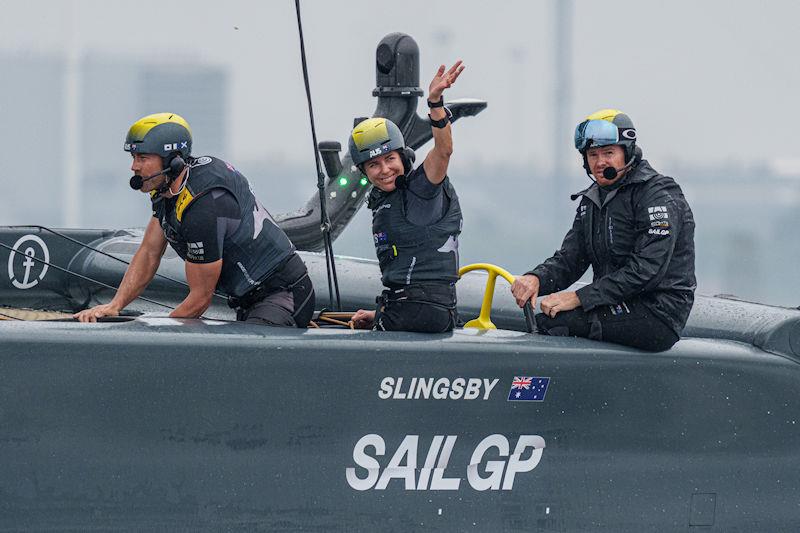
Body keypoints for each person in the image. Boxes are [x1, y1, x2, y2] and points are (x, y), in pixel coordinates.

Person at [74, 112, 314, 326]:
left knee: (243, 367)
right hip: (248, 300)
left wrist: (160, 337)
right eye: (134, 158)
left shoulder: (203, 206)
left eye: (143, 158)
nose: (134, 167)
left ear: (173, 160)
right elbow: (149, 253)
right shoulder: (169, 189)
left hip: (283, 293)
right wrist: (115, 305)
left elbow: (200, 299)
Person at [511, 109, 696, 351]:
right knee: (543, 319)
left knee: (555, 324)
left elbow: (646, 270)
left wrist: (578, 298)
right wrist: (536, 278)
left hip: (658, 312)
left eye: (608, 153)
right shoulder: (592, 199)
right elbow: (571, 260)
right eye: (593, 154)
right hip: (615, 303)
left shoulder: (657, 194)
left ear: (626, 152)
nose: (600, 162)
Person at [349, 61, 465, 333]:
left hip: (424, 313)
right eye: (374, 165)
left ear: (402, 156)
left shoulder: (422, 188)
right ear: (365, 171)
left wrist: (435, 102)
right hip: (406, 307)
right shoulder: (386, 201)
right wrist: (379, 312)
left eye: (390, 159)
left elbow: (444, 150)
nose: (385, 170)